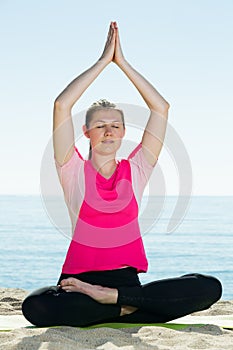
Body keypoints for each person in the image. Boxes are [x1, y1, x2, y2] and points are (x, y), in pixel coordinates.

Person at [22, 22, 222, 327]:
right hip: (79, 284)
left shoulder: (138, 168)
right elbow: (62, 105)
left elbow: (161, 107)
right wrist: (104, 61)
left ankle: (114, 301)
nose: (108, 130)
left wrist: (123, 63)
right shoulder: (71, 168)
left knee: (209, 286)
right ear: (86, 132)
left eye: (115, 125)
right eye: (100, 125)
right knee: (35, 306)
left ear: (124, 132)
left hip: (124, 285)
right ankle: (127, 308)